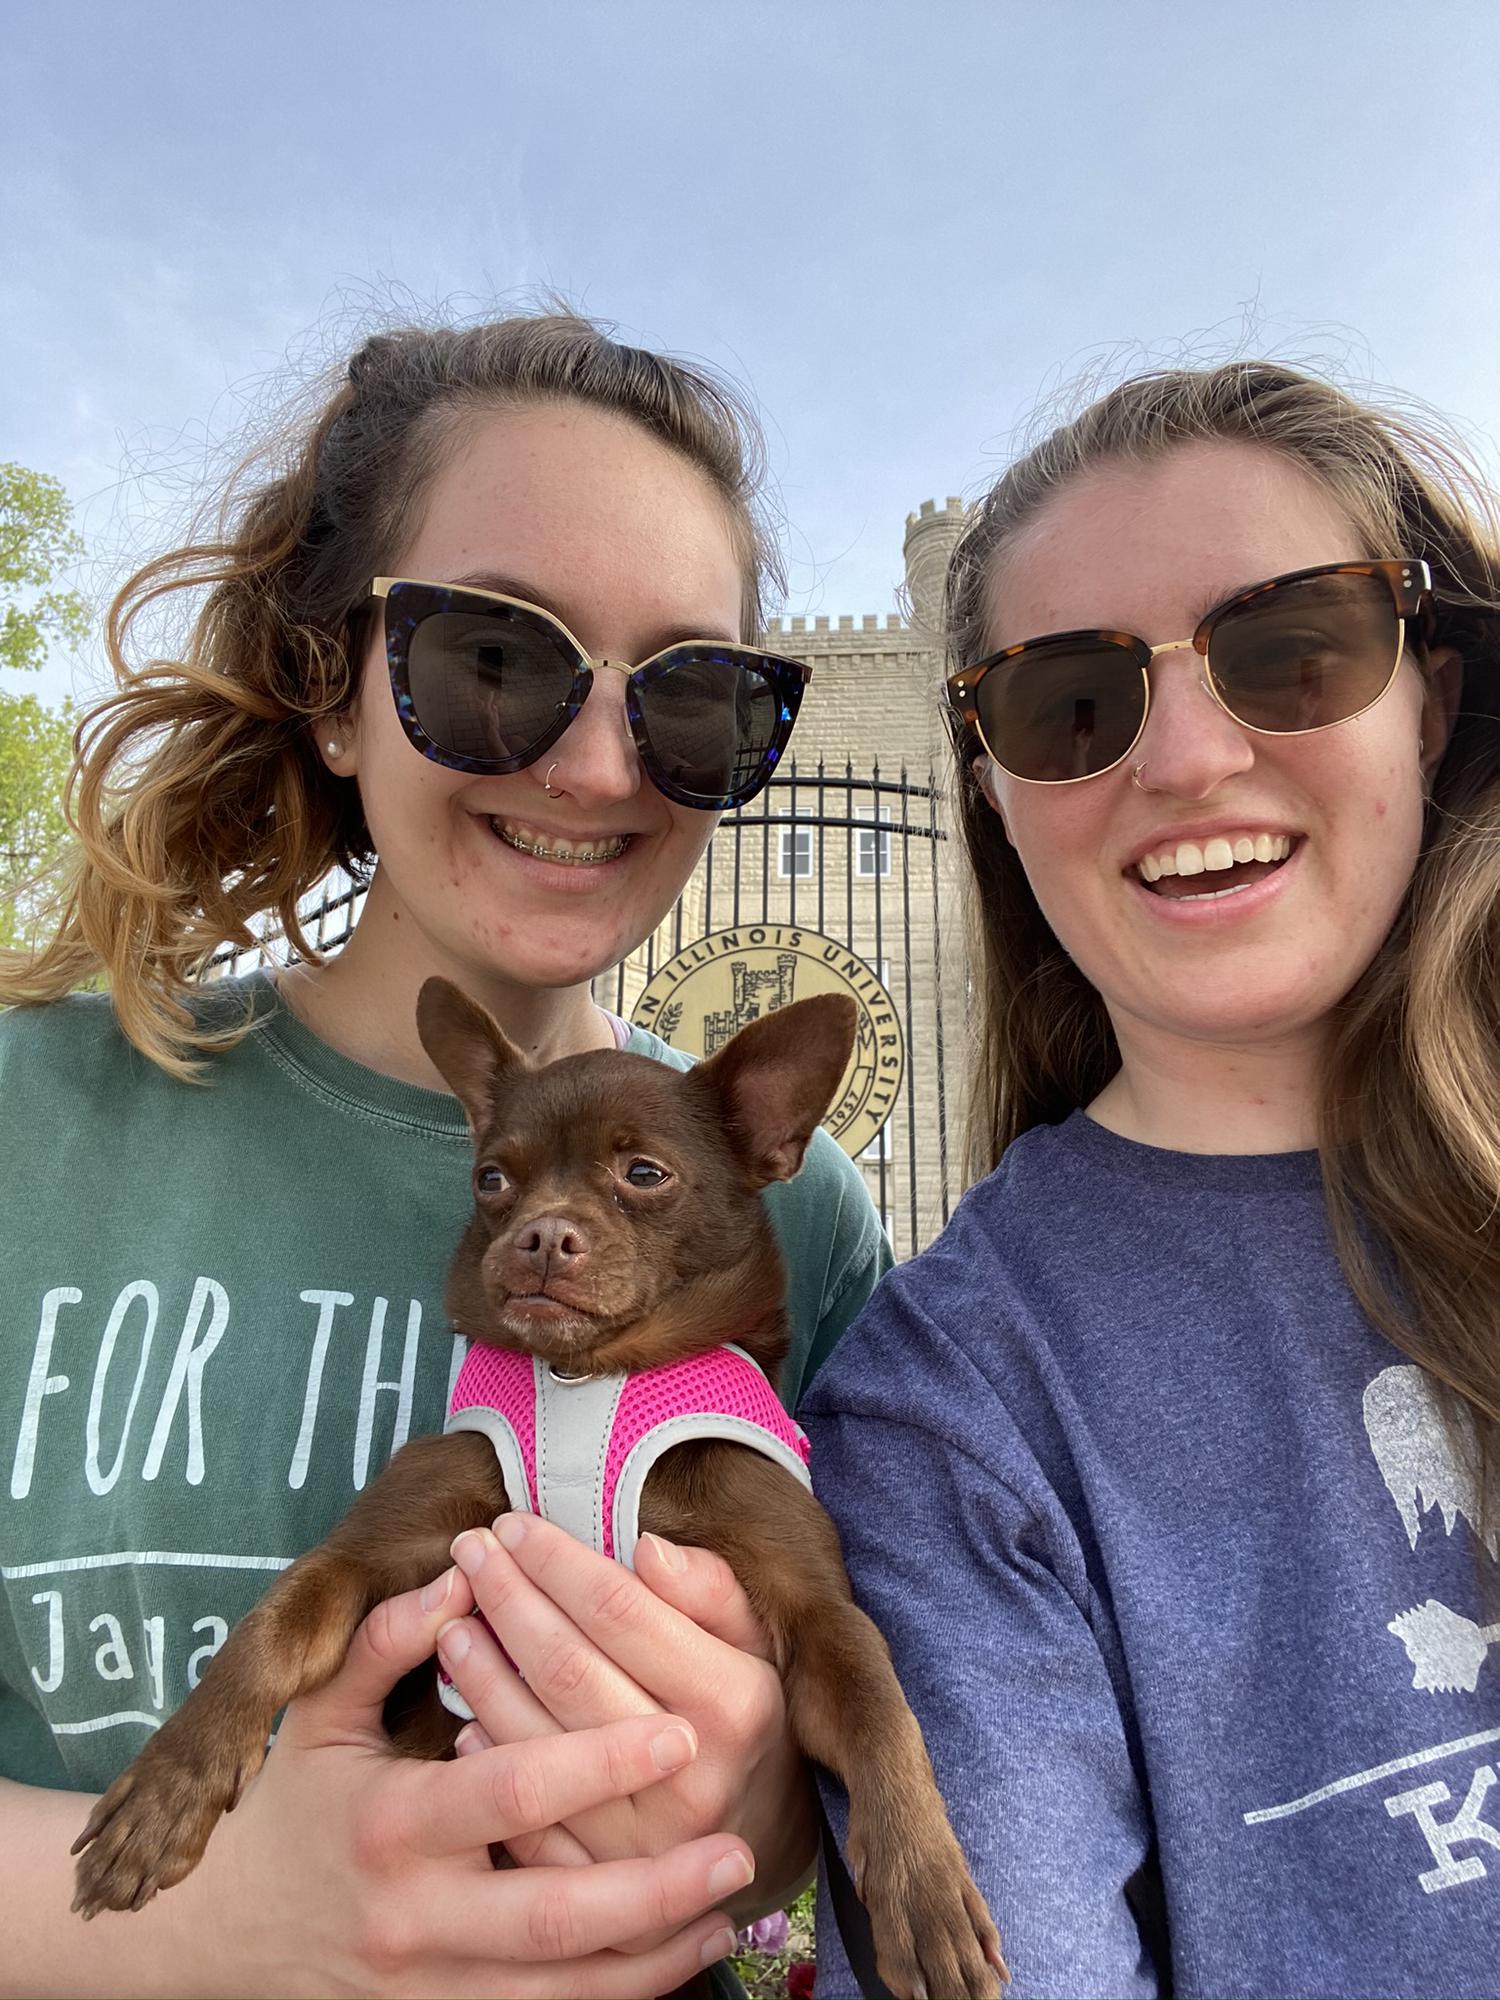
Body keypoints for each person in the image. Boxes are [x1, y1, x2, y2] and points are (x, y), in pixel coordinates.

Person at [0, 311, 889, 1997]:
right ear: (333, 691)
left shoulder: (803, 1224)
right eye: (495, 660)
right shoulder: (32, 1126)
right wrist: (227, 1921)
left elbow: (868, 1787)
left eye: (691, 699)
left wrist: (772, 1813)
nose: (599, 766)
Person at [805, 361, 1500, 1998]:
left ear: (1432, 697)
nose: (1186, 757)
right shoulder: (951, 1413)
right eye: (1071, 702)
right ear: (990, 787)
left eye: (1292, 648)